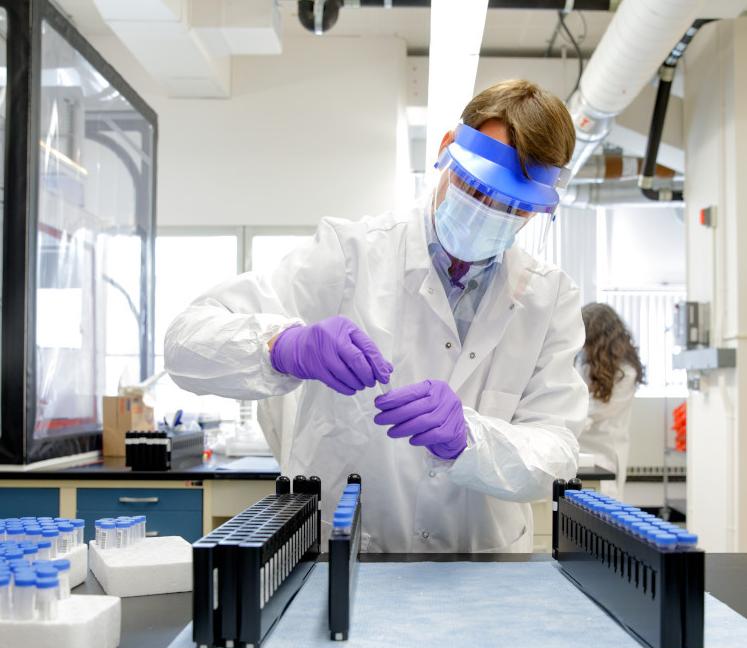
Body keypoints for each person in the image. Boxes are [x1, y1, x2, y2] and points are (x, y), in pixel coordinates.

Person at [165, 79, 588, 553]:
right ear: (448, 149)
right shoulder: (349, 256)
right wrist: (282, 347)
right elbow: (185, 342)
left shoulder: (549, 299)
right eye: (478, 187)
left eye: (515, 207)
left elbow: (558, 451)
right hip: (345, 560)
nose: (489, 211)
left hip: (480, 572)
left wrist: (471, 440)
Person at [576, 303, 645, 499]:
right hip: (579, 455)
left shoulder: (625, 375)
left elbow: (588, 412)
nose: (583, 346)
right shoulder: (583, 363)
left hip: (604, 458)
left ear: (599, 339)